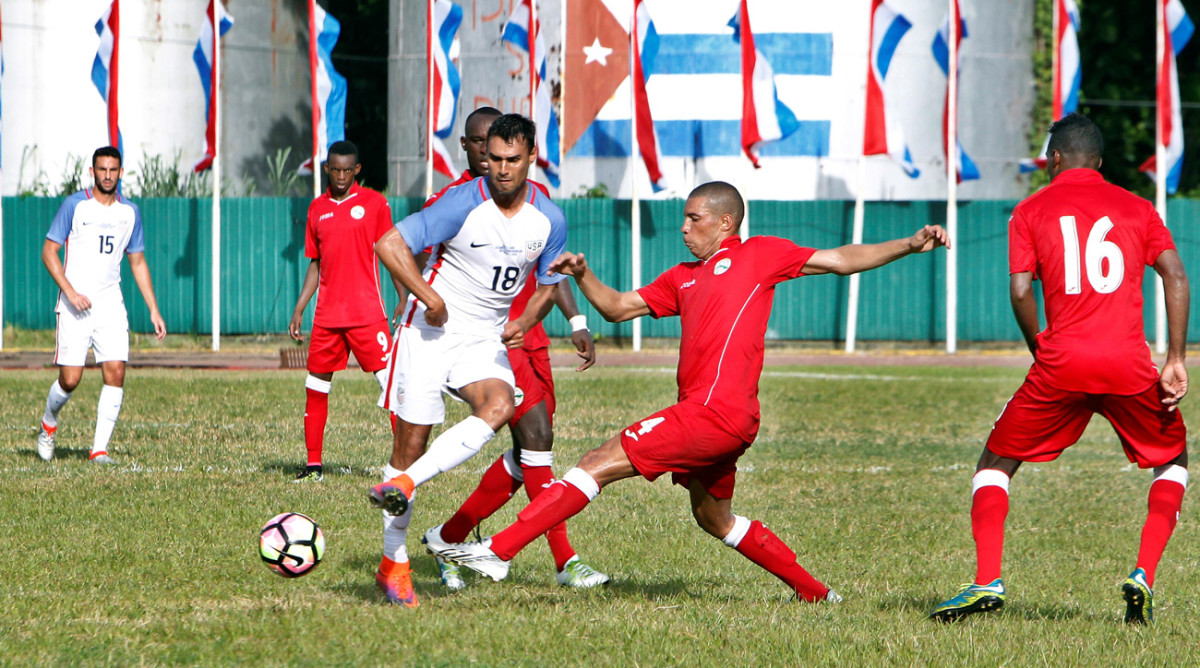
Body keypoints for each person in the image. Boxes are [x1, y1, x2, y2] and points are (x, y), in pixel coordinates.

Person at [424, 181, 950, 603]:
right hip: (719, 420)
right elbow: (618, 308)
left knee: (600, 459)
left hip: (714, 414)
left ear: (726, 222)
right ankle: (818, 594)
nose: (683, 228)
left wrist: (908, 243)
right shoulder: (683, 277)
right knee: (713, 518)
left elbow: (840, 259)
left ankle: (499, 550)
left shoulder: (761, 255)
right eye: (683, 217)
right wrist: (583, 276)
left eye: (694, 218)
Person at [929, 113, 1189, 625]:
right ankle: (1142, 575)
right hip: (1129, 365)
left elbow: (1022, 289)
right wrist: (1176, 359)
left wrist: (1040, 350)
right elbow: (1175, 275)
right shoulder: (1138, 208)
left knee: (994, 465)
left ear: (1053, 160)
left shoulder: (1029, 210)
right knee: (1173, 462)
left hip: (1061, 364)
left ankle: (987, 580)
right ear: (1099, 162)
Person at [368, 113, 569, 607]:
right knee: (411, 443)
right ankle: (393, 564)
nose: (500, 169)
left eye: (512, 160)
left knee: (499, 405)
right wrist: (429, 298)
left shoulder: (550, 219)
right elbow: (388, 243)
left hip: (482, 337)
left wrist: (526, 321)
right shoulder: (461, 202)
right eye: (494, 158)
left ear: (531, 159)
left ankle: (405, 484)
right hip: (428, 331)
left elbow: (548, 284)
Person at [421, 106, 608, 591]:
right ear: (470, 148)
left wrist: (577, 318)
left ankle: (448, 537)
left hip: (532, 337)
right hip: (488, 341)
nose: (496, 160)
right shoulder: (454, 202)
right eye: (485, 147)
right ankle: (565, 561)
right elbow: (418, 259)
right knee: (537, 443)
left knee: (531, 454)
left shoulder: (537, 203)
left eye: (507, 151)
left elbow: (552, 270)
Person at [36, 146, 167, 464]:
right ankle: (48, 425)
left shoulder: (130, 213)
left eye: (113, 170)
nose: (107, 175)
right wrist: (70, 292)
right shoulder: (75, 205)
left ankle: (99, 450)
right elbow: (49, 252)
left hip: (110, 305)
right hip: (74, 305)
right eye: (102, 170)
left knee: (116, 372)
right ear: (92, 172)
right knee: (70, 380)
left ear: (121, 173)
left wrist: (153, 308)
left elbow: (137, 262)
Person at [288, 141, 402, 482]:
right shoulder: (316, 209)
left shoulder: (375, 204)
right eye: (334, 169)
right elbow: (315, 262)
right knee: (315, 386)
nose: (340, 176)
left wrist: (403, 296)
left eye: (346, 170)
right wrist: (299, 309)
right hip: (327, 319)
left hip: (368, 315)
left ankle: (406, 465)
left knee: (393, 387)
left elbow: (391, 252)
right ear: (326, 169)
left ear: (357, 170)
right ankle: (313, 466)